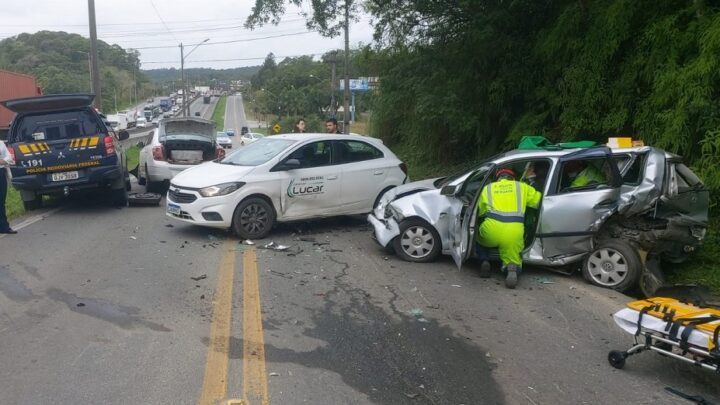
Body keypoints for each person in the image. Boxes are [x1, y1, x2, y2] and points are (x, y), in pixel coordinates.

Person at [476, 168, 542, 288]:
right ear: (513, 178)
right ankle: (511, 268)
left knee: (478, 236)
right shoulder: (522, 187)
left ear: (498, 178)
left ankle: (484, 260)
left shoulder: (488, 188)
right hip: (514, 230)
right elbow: (538, 202)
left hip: (492, 228)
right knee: (512, 256)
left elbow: (481, 212)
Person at [0, 140, 16, 234]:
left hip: (1, 172)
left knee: (1, 200)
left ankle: (4, 227)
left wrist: (3, 161)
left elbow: (10, 157)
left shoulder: (1, 143)